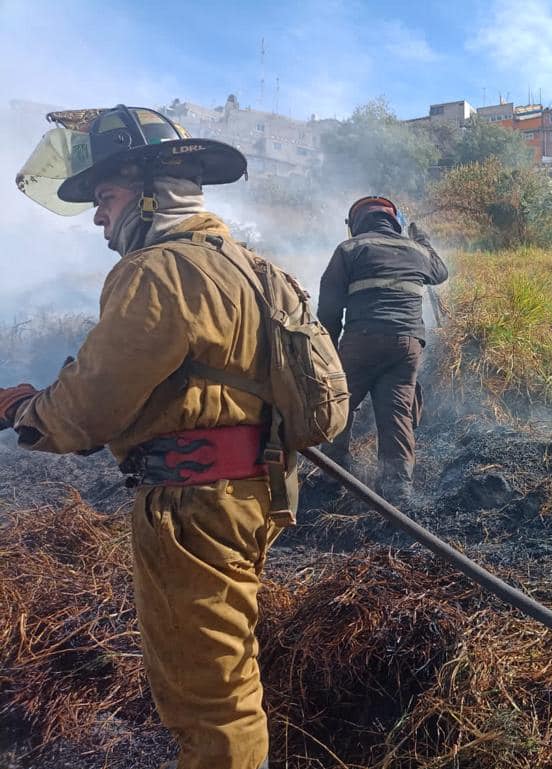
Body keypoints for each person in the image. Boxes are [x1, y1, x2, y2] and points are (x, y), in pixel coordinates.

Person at [1, 104, 328, 769]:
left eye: (107, 196)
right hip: (248, 494)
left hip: (192, 508)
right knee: (227, 680)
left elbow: (92, 404)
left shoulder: (157, 272)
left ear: (150, 190)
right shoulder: (250, 267)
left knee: (211, 706)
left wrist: (24, 413)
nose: (98, 215)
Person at [317, 196, 448, 503]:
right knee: (397, 413)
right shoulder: (417, 251)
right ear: (395, 222)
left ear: (355, 225)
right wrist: (424, 240)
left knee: (342, 404)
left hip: (361, 340)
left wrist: (329, 352)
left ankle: (333, 475)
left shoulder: (349, 249)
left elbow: (329, 308)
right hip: (407, 344)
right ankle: (397, 488)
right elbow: (440, 273)